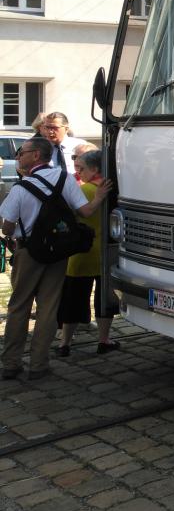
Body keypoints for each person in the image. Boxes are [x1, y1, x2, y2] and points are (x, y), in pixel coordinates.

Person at [0, 137, 112, 380]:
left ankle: (11, 363)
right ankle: (39, 365)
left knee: (19, 307)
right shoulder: (65, 179)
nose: (18, 156)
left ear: (37, 156)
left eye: (23, 152)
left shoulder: (20, 187)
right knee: (49, 308)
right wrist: (100, 197)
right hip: (58, 252)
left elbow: (7, 228)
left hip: (28, 252)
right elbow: (86, 211)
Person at [57, 150, 120, 357]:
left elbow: (70, 215)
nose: (78, 172)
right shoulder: (114, 189)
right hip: (105, 254)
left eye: (81, 168)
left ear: (95, 169)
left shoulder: (85, 191)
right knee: (104, 299)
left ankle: (64, 343)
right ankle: (104, 340)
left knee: (73, 300)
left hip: (80, 255)